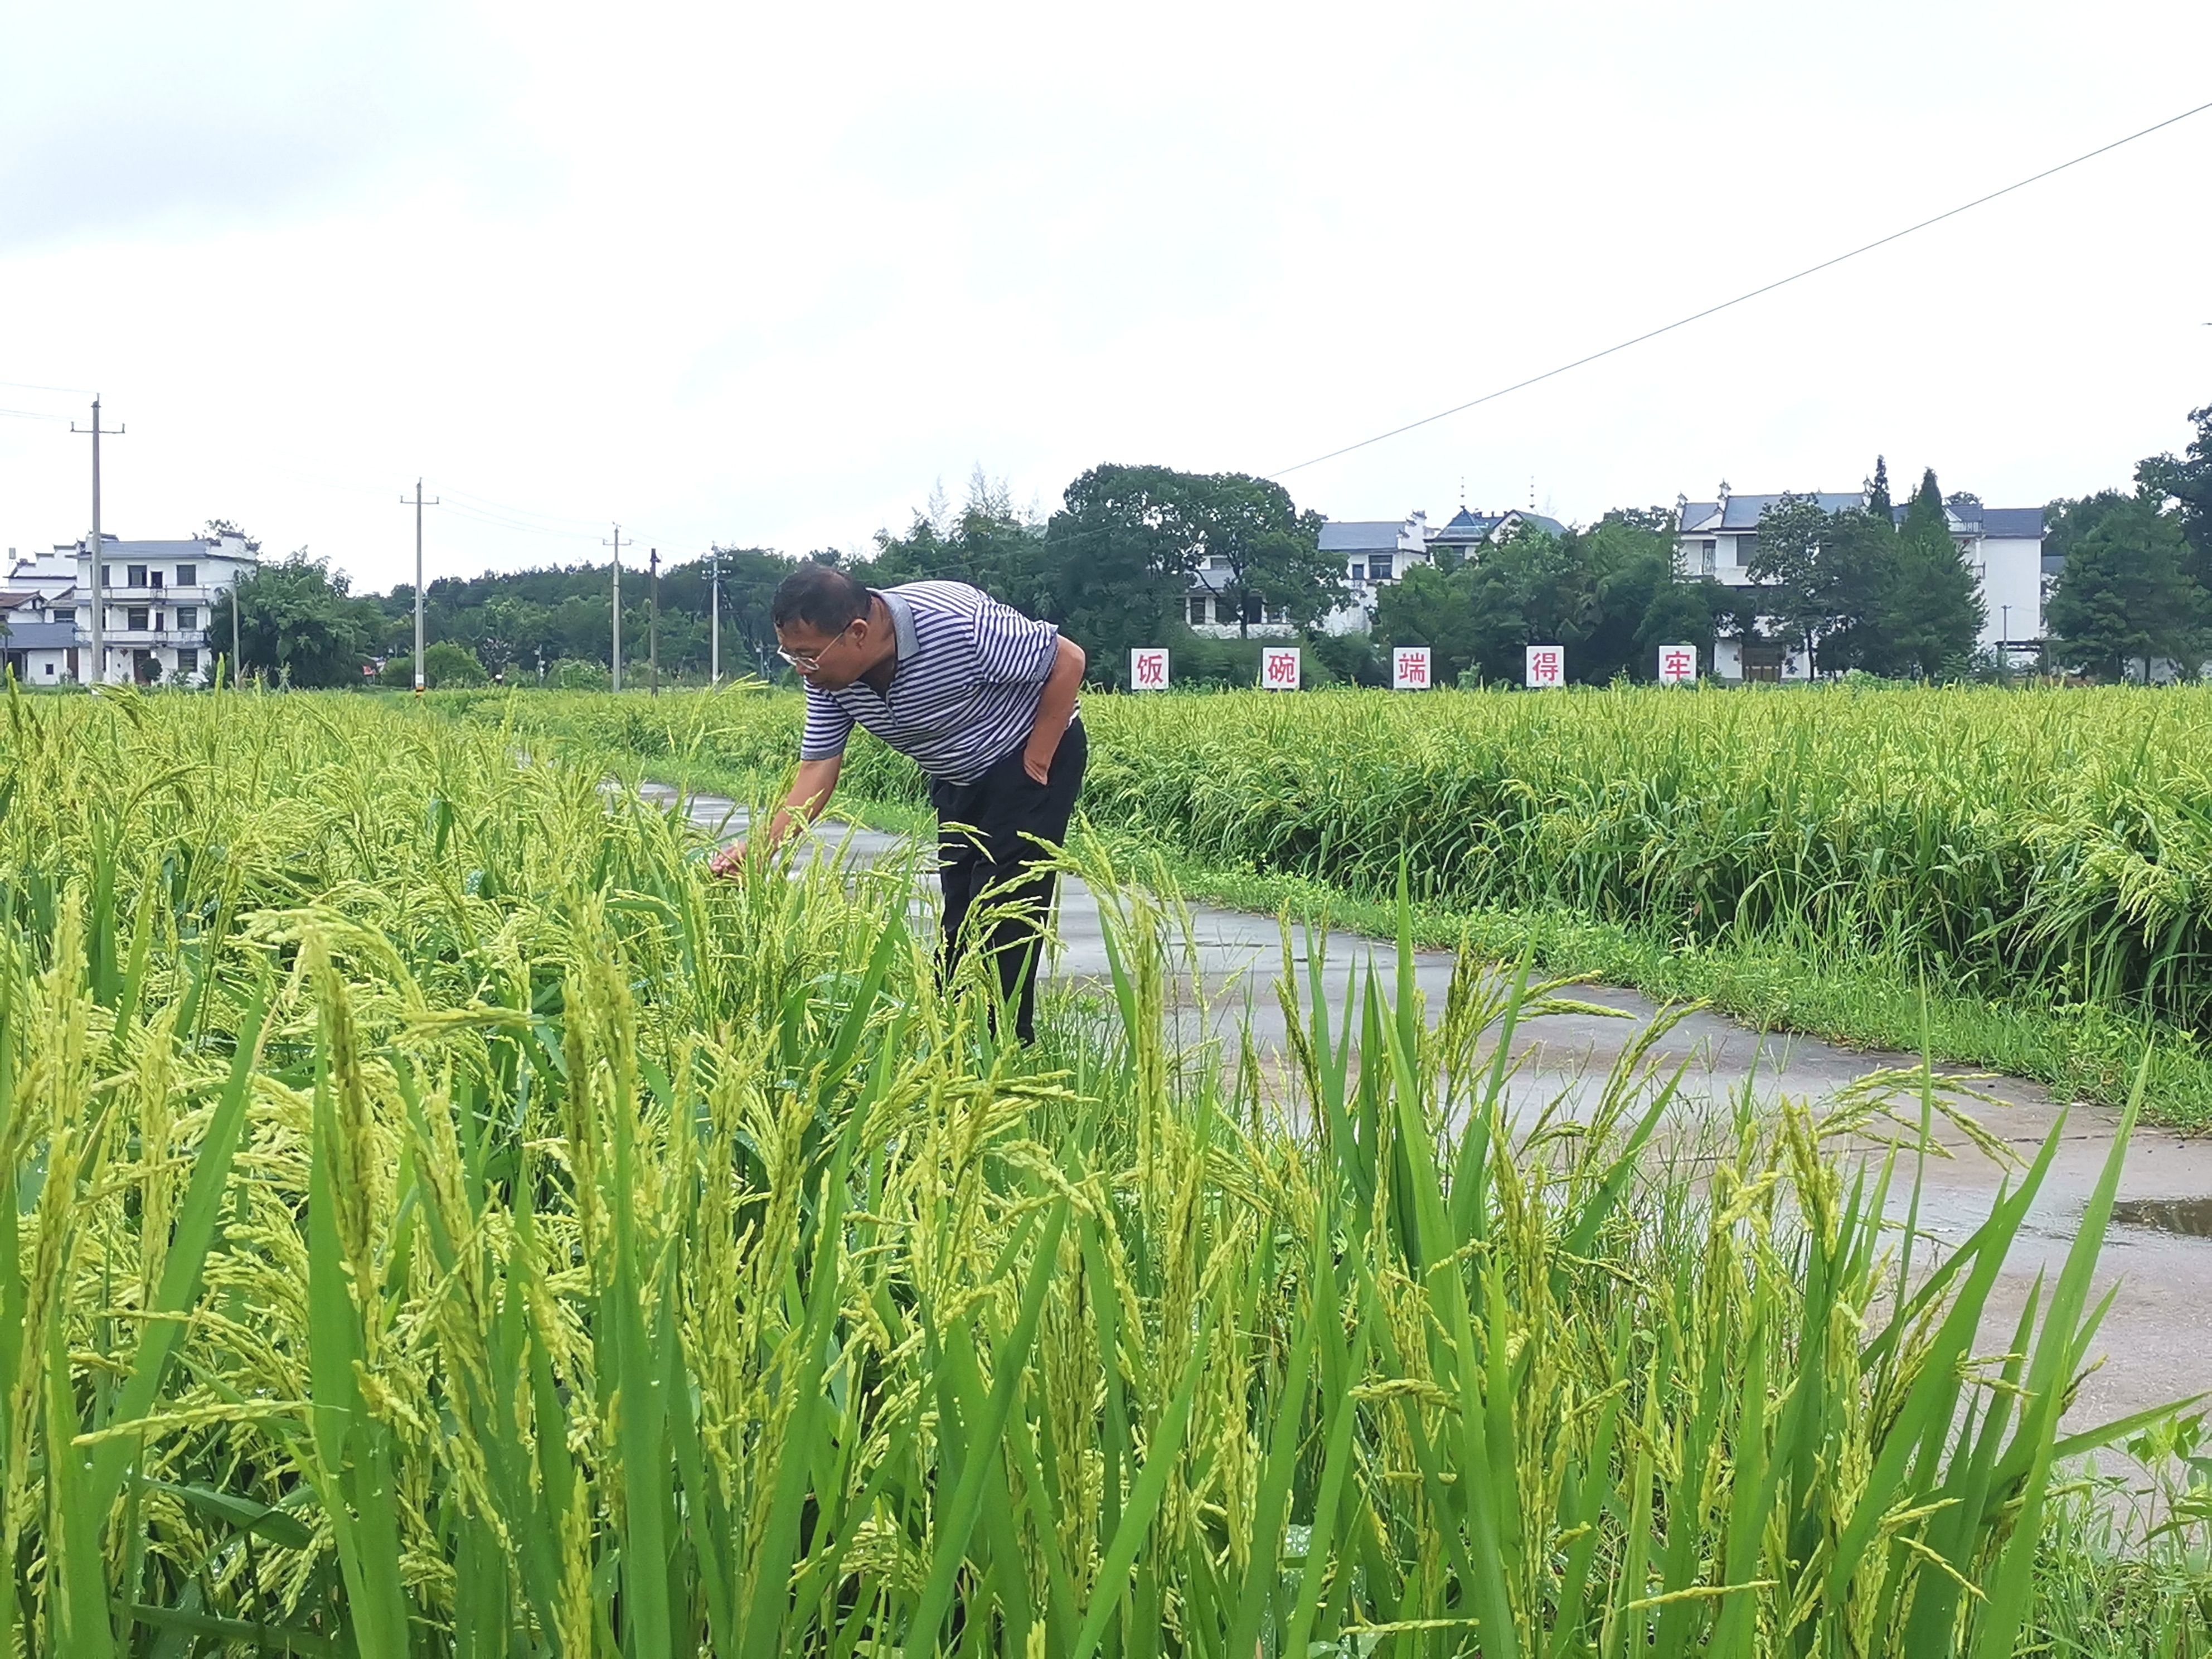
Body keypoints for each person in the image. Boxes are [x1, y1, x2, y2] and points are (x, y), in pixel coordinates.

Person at [713, 564, 1086, 1044]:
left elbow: (1068, 660)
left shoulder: (957, 626)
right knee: (961, 906)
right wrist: (763, 845)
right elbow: (818, 769)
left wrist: (1035, 761)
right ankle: (952, 1035)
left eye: (807, 656)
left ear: (858, 633)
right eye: (792, 657)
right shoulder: (831, 680)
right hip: (956, 772)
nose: (803, 669)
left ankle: (1007, 1049)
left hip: (1031, 752)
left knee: (1005, 903)